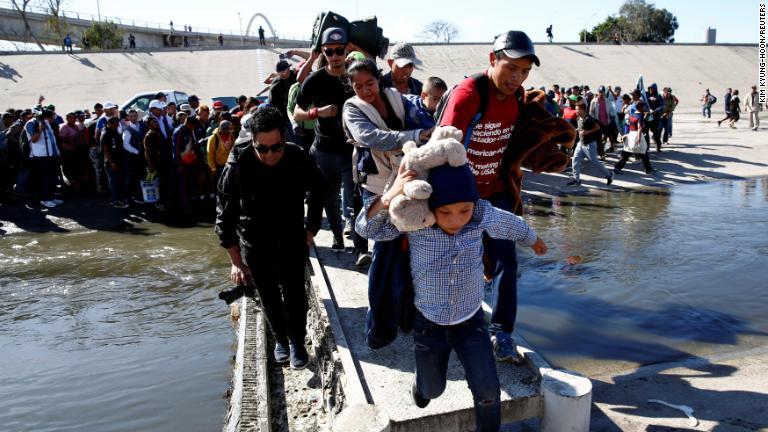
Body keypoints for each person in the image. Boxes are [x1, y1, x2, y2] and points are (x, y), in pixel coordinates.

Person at [356, 162, 547, 432]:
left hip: (471, 323)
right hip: (428, 325)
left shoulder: (480, 215)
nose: (456, 220)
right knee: (433, 390)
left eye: (464, 210)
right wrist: (390, 195)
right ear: (431, 207)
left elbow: (508, 222)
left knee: (488, 392)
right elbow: (366, 229)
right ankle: (422, 386)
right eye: (445, 212)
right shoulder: (416, 222)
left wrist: (532, 238)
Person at [437, 30, 541, 363]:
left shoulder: (517, 97)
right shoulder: (468, 95)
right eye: (511, 68)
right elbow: (443, 150)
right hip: (460, 195)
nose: (517, 78)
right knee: (451, 261)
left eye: (524, 71)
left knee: (506, 262)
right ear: (492, 59)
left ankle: (501, 332)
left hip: (494, 191)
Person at [215, 106, 325, 369]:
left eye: (276, 147)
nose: (270, 154)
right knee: (268, 293)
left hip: (291, 234)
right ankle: (281, 340)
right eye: (262, 148)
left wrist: (312, 228)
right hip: (255, 238)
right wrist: (235, 260)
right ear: (252, 140)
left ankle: (297, 341)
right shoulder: (238, 165)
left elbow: (319, 189)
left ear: (284, 139)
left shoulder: (298, 156)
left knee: (294, 290)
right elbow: (224, 216)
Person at [295, 27, 356, 251]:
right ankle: (338, 238)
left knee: (355, 196)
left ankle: (360, 246)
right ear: (323, 52)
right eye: (330, 52)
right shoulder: (315, 80)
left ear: (347, 49)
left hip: (353, 148)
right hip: (325, 150)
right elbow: (296, 112)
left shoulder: (355, 74)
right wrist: (316, 112)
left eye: (339, 50)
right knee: (329, 198)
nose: (335, 56)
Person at [568, 99, 613, 186]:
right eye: (575, 109)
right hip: (581, 143)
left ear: (583, 110)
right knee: (575, 160)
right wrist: (576, 130)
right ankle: (576, 180)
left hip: (589, 144)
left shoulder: (589, 119)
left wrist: (587, 132)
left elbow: (598, 127)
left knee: (594, 161)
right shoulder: (578, 118)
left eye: (577, 109)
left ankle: (609, 175)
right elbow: (581, 128)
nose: (576, 111)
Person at [25, 110, 61, 208]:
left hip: (50, 155)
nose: (52, 119)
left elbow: (51, 139)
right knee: (45, 179)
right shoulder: (31, 123)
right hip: (40, 156)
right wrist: (40, 130)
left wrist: (56, 152)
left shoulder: (46, 123)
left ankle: (51, 197)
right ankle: (45, 199)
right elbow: (34, 140)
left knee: (51, 177)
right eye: (51, 118)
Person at [614, 101, 654, 175]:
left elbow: (629, 125)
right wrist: (638, 138)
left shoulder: (632, 114)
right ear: (640, 107)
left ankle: (617, 168)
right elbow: (639, 128)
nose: (645, 107)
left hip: (630, 134)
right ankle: (648, 170)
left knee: (626, 153)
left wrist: (626, 135)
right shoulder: (641, 115)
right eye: (643, 106)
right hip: (637, 135)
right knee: (643, 152)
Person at [101, 117, 129, 208]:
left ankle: (120, 198)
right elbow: (105, 150)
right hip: (111, 163)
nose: (116, 126)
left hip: (119, 161)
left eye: (117, 125)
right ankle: (115, 200)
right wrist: (112, 163)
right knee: (114, 182)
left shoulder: (115, 131)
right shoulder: (105, 134)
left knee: (119, 181)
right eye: (115, 125)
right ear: (109, 124)